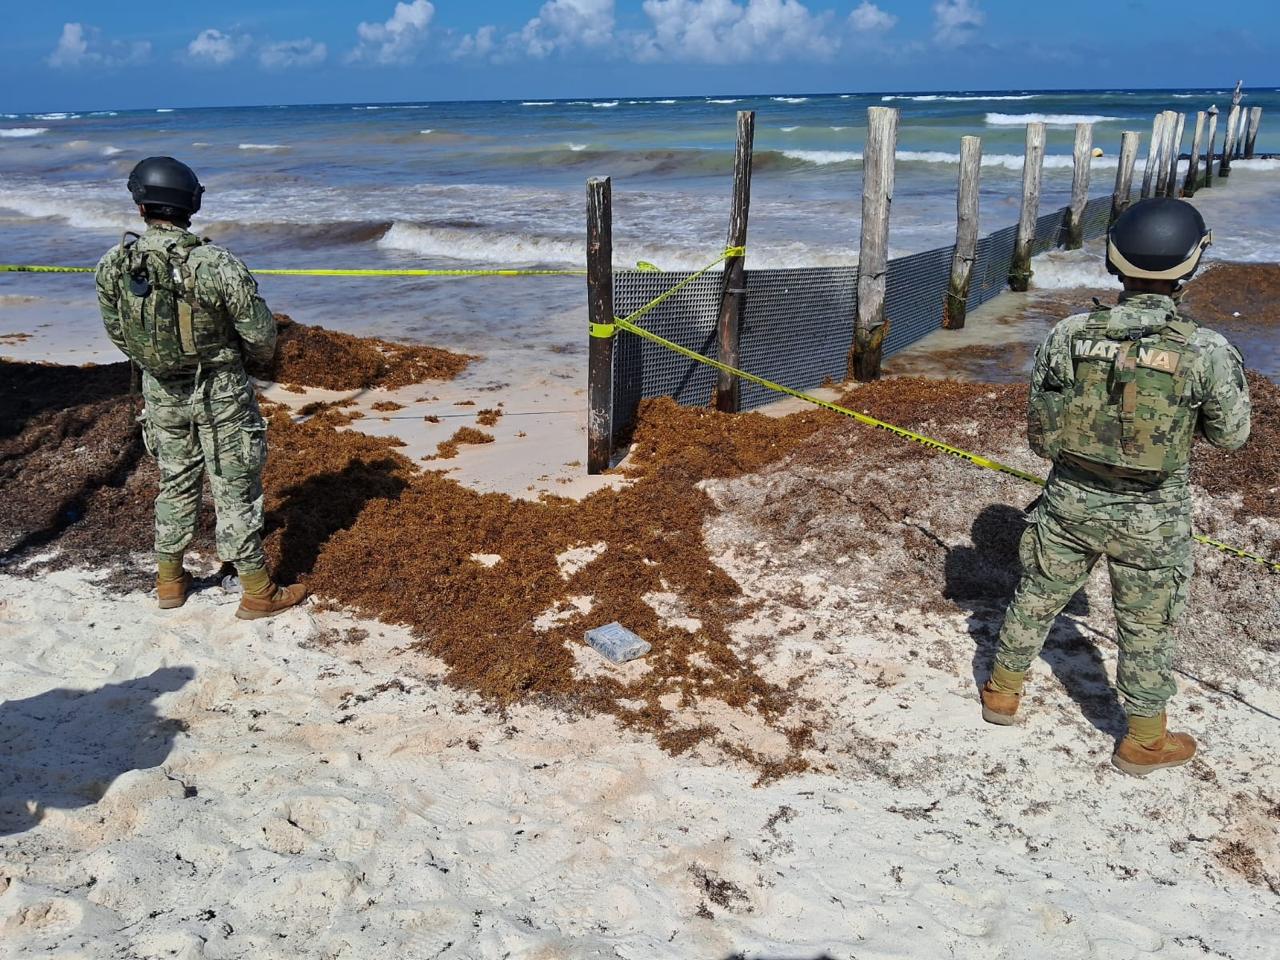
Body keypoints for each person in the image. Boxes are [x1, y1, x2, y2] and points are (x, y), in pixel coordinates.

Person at [980, 197, 1251, 778]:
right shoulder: (1205, 349)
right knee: (1147, 625)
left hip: (1068, 501)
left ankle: (1003, 690)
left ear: (1114, 261)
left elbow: (1040, 434)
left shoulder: (1070, 333)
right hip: (1152, 515)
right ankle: (1144, 742)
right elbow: (1231, 437)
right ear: (1192, 264)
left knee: (1038, 592)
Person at [95, 157, 307, 620]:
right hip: (221, 389)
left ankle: (169, 580)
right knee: (234, 485)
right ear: (190, 203)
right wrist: (243, 360)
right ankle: (256, 591)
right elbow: (262, 336)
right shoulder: (216, 263)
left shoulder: (115, 264)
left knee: (175, 481)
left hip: (160, 392)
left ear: (141, 206)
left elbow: (118, 334)